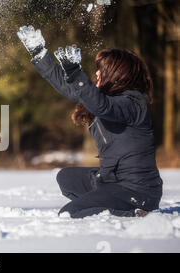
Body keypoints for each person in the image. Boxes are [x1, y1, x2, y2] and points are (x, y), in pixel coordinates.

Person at [17, 25, 163, 218]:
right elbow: (70, 88)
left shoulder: (133, 103)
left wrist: (76, 72)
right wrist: (39, 53)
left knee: (70, 212)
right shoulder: (102, 97)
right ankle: (106, 196)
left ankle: (132, 212)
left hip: (137, 190)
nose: (96, 74)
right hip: (112, 180)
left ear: (116, 74)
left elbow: (103, 107)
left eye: (101, 70)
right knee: (66, 178)